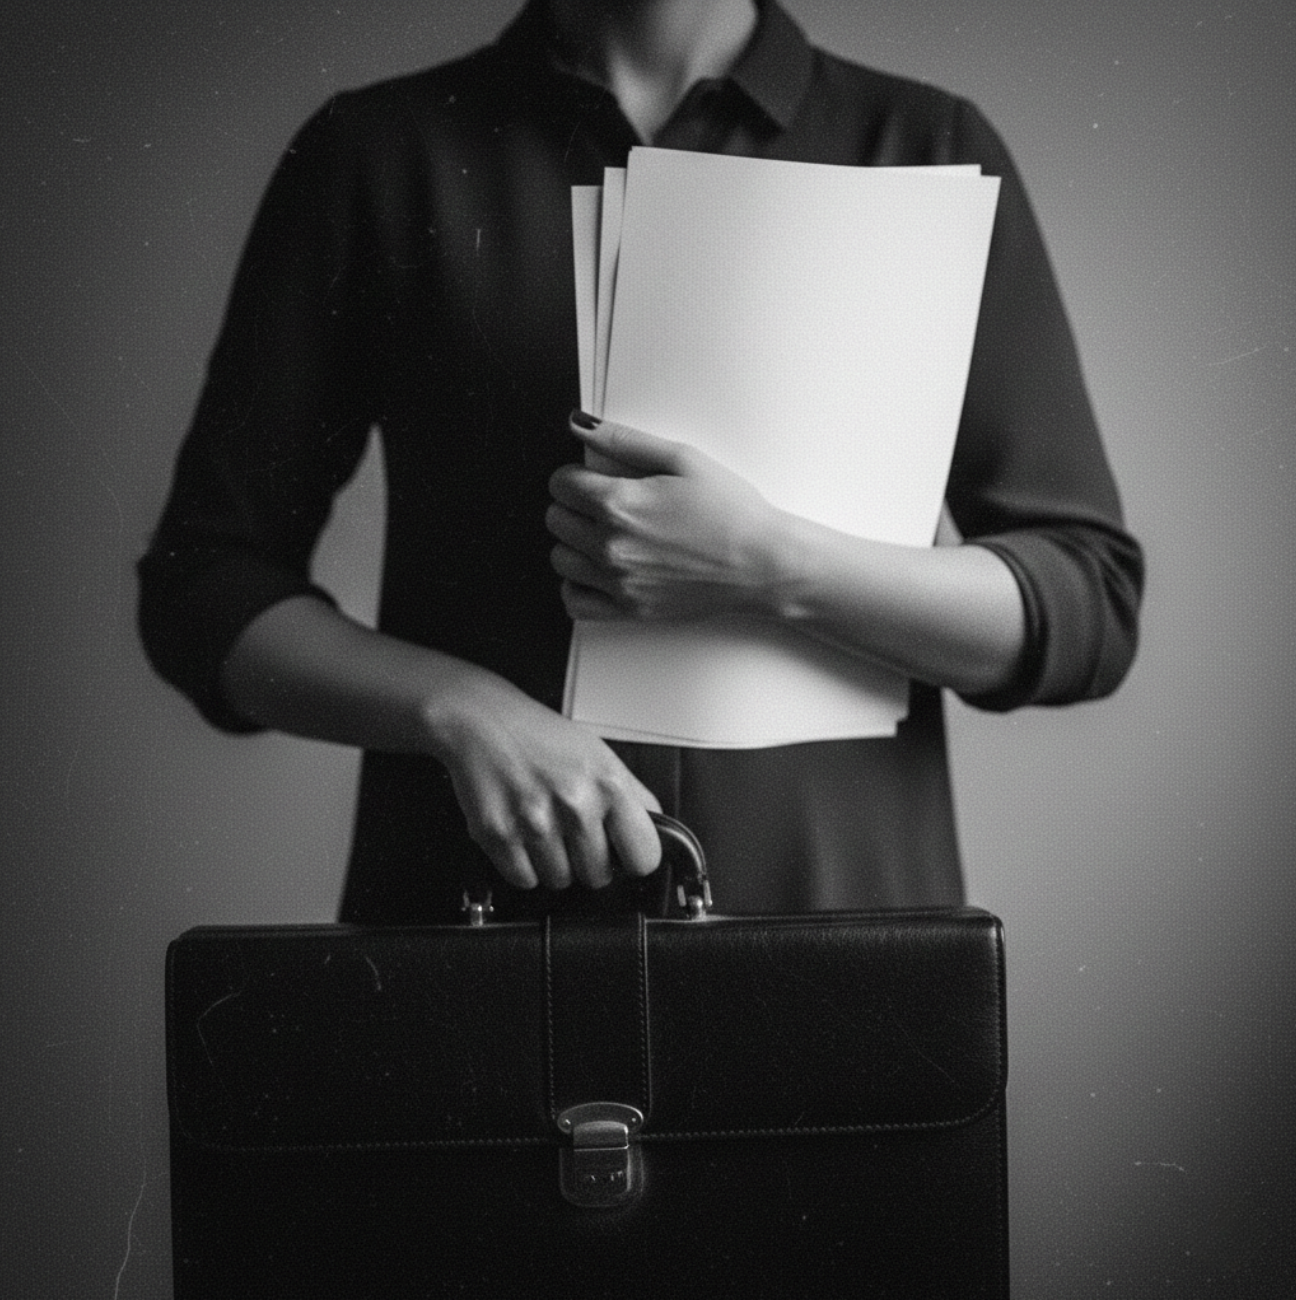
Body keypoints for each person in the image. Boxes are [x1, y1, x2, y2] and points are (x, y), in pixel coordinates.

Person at [138, 0, 1143, 922]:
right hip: (474, 940)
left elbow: (1088, 602)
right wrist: (458, 710)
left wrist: (771, 565)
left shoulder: (923, 147)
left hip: (840, 949)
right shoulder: (374, 153)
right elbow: (204, 587)